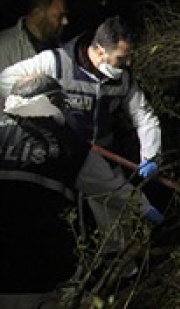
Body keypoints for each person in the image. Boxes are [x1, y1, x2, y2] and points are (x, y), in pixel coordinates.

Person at [0, 16, 162, 252]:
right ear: (98, 51)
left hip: (100, 161)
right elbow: (7, 82)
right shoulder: (55, 63)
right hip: (58, 158)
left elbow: (143, 115)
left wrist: (151, 154)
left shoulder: (124, 79)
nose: (128, 62)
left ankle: (118, 273)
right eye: (121, 57)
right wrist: (36, 112)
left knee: (117, 231)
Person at [0, 74, 162, 309]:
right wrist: (145, 207)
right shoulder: (69, 145)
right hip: (36, 265)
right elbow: (113, 189)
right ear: (53, 103)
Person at [0, 0, 69, 70]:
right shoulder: (4, 47)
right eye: (59, 16)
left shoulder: (63, 49)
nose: (65, 22)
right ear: (37, 14)